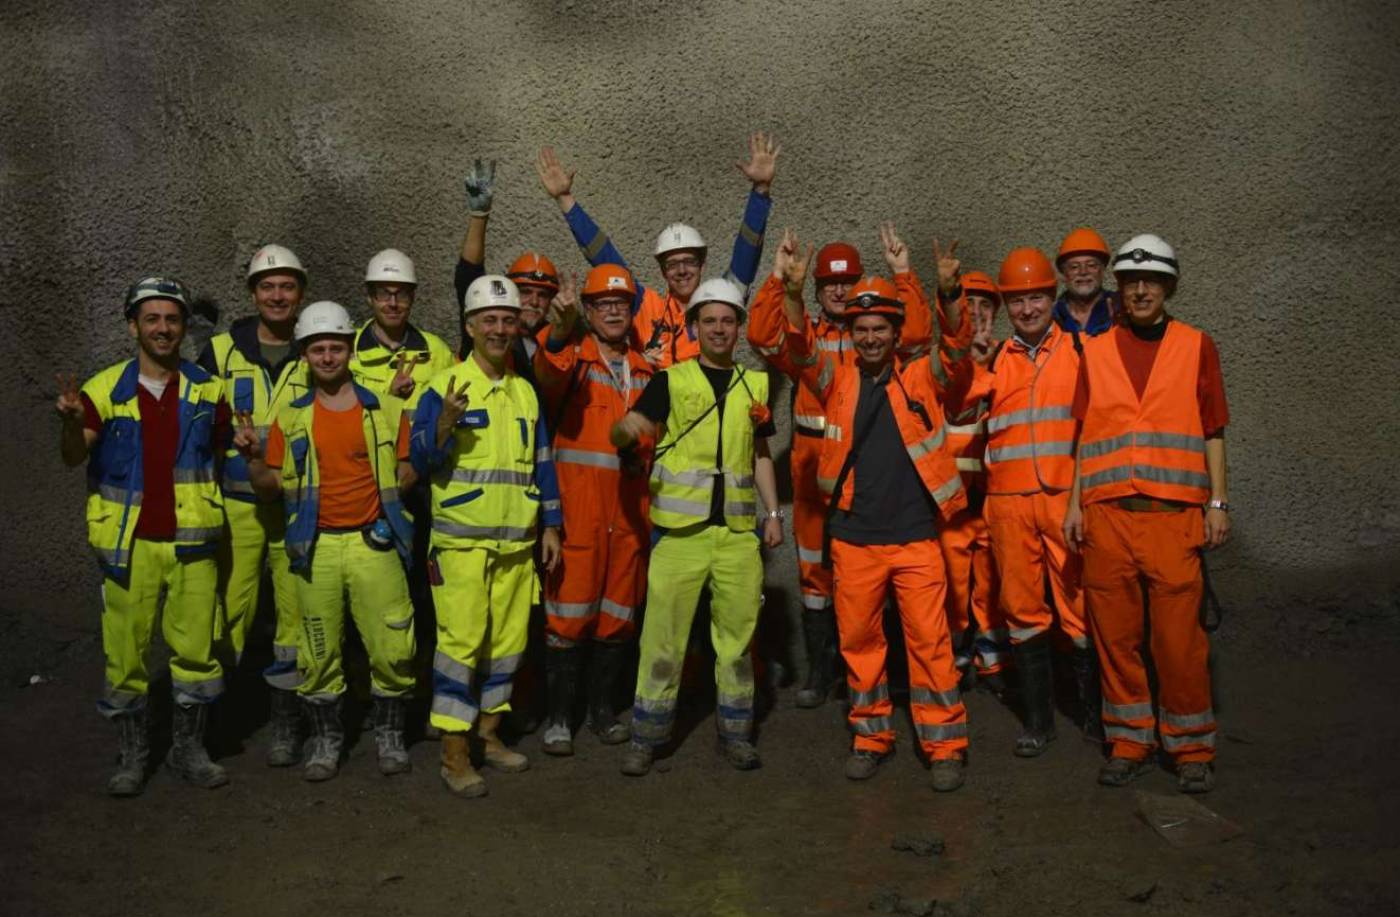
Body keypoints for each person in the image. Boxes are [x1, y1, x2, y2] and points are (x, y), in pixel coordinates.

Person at [774, 234, 971, 792]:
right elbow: (798, 343)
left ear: (895, 332)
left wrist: (948, 290)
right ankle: (871, 736)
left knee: (931, 645)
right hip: (854, 540)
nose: (870, 337)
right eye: (861, 330)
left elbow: (956, 345)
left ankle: (945, 746)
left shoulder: (921, 376)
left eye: (880, 328)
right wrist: (792, 292)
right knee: (859, 644)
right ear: (853, 336)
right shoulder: (835, 379)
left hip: (914, 539)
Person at [745, 224, 939, 709]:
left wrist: (904, 274)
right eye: (829, 283)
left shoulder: (871, 328)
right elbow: (761, 335)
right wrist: (778, 280)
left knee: (876, 570)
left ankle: (887, 671)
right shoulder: (804, 329)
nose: (837, 288)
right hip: (814, 464)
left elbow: (916, 333)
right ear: (815, 289)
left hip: (869, 462)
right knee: (816, 571)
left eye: (846, 280)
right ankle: (820, 672)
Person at [1063, 234, 1230, 794]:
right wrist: (1073, 504)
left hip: (1173, 519)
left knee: (1179, 642)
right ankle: (1130, 739)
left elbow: (1213, 429)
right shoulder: (1098, 349)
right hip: (1107, 518)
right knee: (1115, 637)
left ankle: (1190, 747)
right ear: (1119, 290)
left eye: (1151, 282)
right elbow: (1084, 433)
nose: (1140, 291)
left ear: (1168, 288)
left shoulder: (1195, 345)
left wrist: (1218, 503)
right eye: (1131, 282)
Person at [57, 276, 229, 795]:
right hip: (128, 547)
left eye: (172, 319)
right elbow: (73, 455)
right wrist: (68, 423)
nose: (162, 328)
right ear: (133, 325)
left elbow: (225, 454)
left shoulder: (207, 389)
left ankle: (188, 750)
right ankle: (133, 755)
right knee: (126, 657)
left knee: (197, 653)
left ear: (182, 328)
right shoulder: (102, 390)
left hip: (193, 544)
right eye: (151, 319)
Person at [233, 301, 418, 782]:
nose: (329, 357)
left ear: (349, 351)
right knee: (318, 654)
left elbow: (407, 469)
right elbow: (271, 487)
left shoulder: (383, 407)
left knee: (392, 647)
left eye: (337, 347)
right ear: (305, 355)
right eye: (319, 349)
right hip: (314, 547)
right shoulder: (291, 418)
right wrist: (253, 459)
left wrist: (389, 517)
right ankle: (326, 738)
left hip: (372, 544)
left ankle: (389, 735)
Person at [610, 277, 782, 775]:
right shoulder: (670, 380)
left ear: (738, 328)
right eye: (709, 320)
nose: (719, 329)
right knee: (662, 642)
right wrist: (623, 432)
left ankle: (736, 734)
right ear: (694, 327)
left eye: (728, 320)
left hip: (736, 537)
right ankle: (647, 736)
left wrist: (773, 515)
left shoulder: (756, 384)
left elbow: (762, 454)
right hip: (679, 538)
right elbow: (630, 431)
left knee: (737, 642)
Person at [411, 275, 563, 798]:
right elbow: (420, 462)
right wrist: (444, 426)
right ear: (470, 327)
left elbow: (542, 461)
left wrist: (552, 526)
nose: (499, 329)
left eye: (507, 320)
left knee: (507, 643)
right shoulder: (441, 388)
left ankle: (489, 735)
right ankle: (454, 753)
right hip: (460, 544)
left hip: (517, 542)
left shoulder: (524, 391)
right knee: (460, 645)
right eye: (489, 321)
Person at [958, 247, 1099, 756]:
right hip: (1009, 503)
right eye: (1017, 301)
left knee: (1079, 608)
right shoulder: (994, 359)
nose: (1028, 309)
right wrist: (970, 363)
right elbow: (960, 415)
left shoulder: (1083, 353)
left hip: (1065, 501)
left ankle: (1093, 714)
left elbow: (1092, 431)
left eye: (1036, 297)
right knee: (1021, 610)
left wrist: (1082, 499)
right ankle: (1039, 721)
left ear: (1052, 297)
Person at [534, 264, 655, 755]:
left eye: (621, 303)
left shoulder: (649, 371)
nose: (612, 310)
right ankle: (561, 717)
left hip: (629, 518)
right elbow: (546, 371)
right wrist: (560, 332)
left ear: (631, 312)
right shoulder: (570, 361)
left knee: (618, 619)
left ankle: (603, 712)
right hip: (579, 517)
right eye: (603, 304)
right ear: (586, 311)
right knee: (566, 619)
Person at [196, 243, 309, 766]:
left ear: (301, 293)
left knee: (295, 617)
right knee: (230, 611)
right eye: (268, 286)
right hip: (238, 509)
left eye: (287, 286)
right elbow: (196, 431)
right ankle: (214, 722)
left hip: (293, 510)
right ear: (252, 293)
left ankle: (287, 725)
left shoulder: (317, 347)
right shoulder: (220, 352)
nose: (278, 295)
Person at [535, 133, 778, 367]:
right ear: (663, 271)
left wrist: (760, 190)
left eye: (690, 261)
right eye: (672, 264)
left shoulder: (719, 303)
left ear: (702, 265)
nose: (682, 270)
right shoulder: (646, 306)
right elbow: (602, 254)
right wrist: (565, 200)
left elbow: (747, 252)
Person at [933, 267, 1009, 693]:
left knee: (995, 581)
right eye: (969, 306)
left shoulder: (1011, 359)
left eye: (984, 306)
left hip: (997, 496)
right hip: (954, 501)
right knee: (953, 584)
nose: (977, 314)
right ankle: (955, 657)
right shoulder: (946, 364)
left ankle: (994, 662)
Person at [452, 159, 550, 385]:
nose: (534, 301)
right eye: (525, 291)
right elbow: (468, 278)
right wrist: (479, 216)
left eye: (543, 294)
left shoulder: (555, 345)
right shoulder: (491, 336)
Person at [350, 248, 456, 422]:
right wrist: (390, 398)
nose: (393, 303)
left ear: (413, 297)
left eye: (402, 294)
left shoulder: (436, 351)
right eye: (384, 293)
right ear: (370, 297)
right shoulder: (346, 348)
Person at [1053, 227, 1118, 336]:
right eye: (1074, 267)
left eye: (1091, 265)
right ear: (1063, 274)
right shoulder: (1052, 316)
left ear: (1102, 270)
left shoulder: (1120, 308)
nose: (1083, 272)